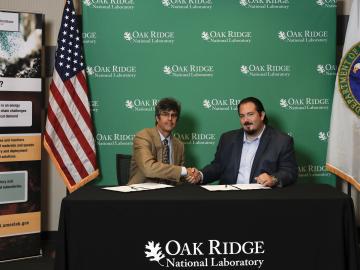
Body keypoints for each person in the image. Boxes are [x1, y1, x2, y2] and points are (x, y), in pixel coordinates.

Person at [196, 97, 298, 187]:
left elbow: (289, 172)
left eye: (250, 114)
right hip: (229, 198)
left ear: (261, 115)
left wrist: (273, 179)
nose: (246, 120)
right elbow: (217, 167)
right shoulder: (227, 138)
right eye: (242, 116)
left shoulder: (281, 141)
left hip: (262, 199)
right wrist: (200, 175)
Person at [128, 97, 198, 185]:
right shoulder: (143, 136)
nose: (170, 118)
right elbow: (148, 169)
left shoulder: (180, 145)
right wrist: (184, 171)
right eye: (165, 114)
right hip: (141, 194)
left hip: (170, 194)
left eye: (174, 115)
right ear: (157, 118)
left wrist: (192, 175)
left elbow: (179, 177)